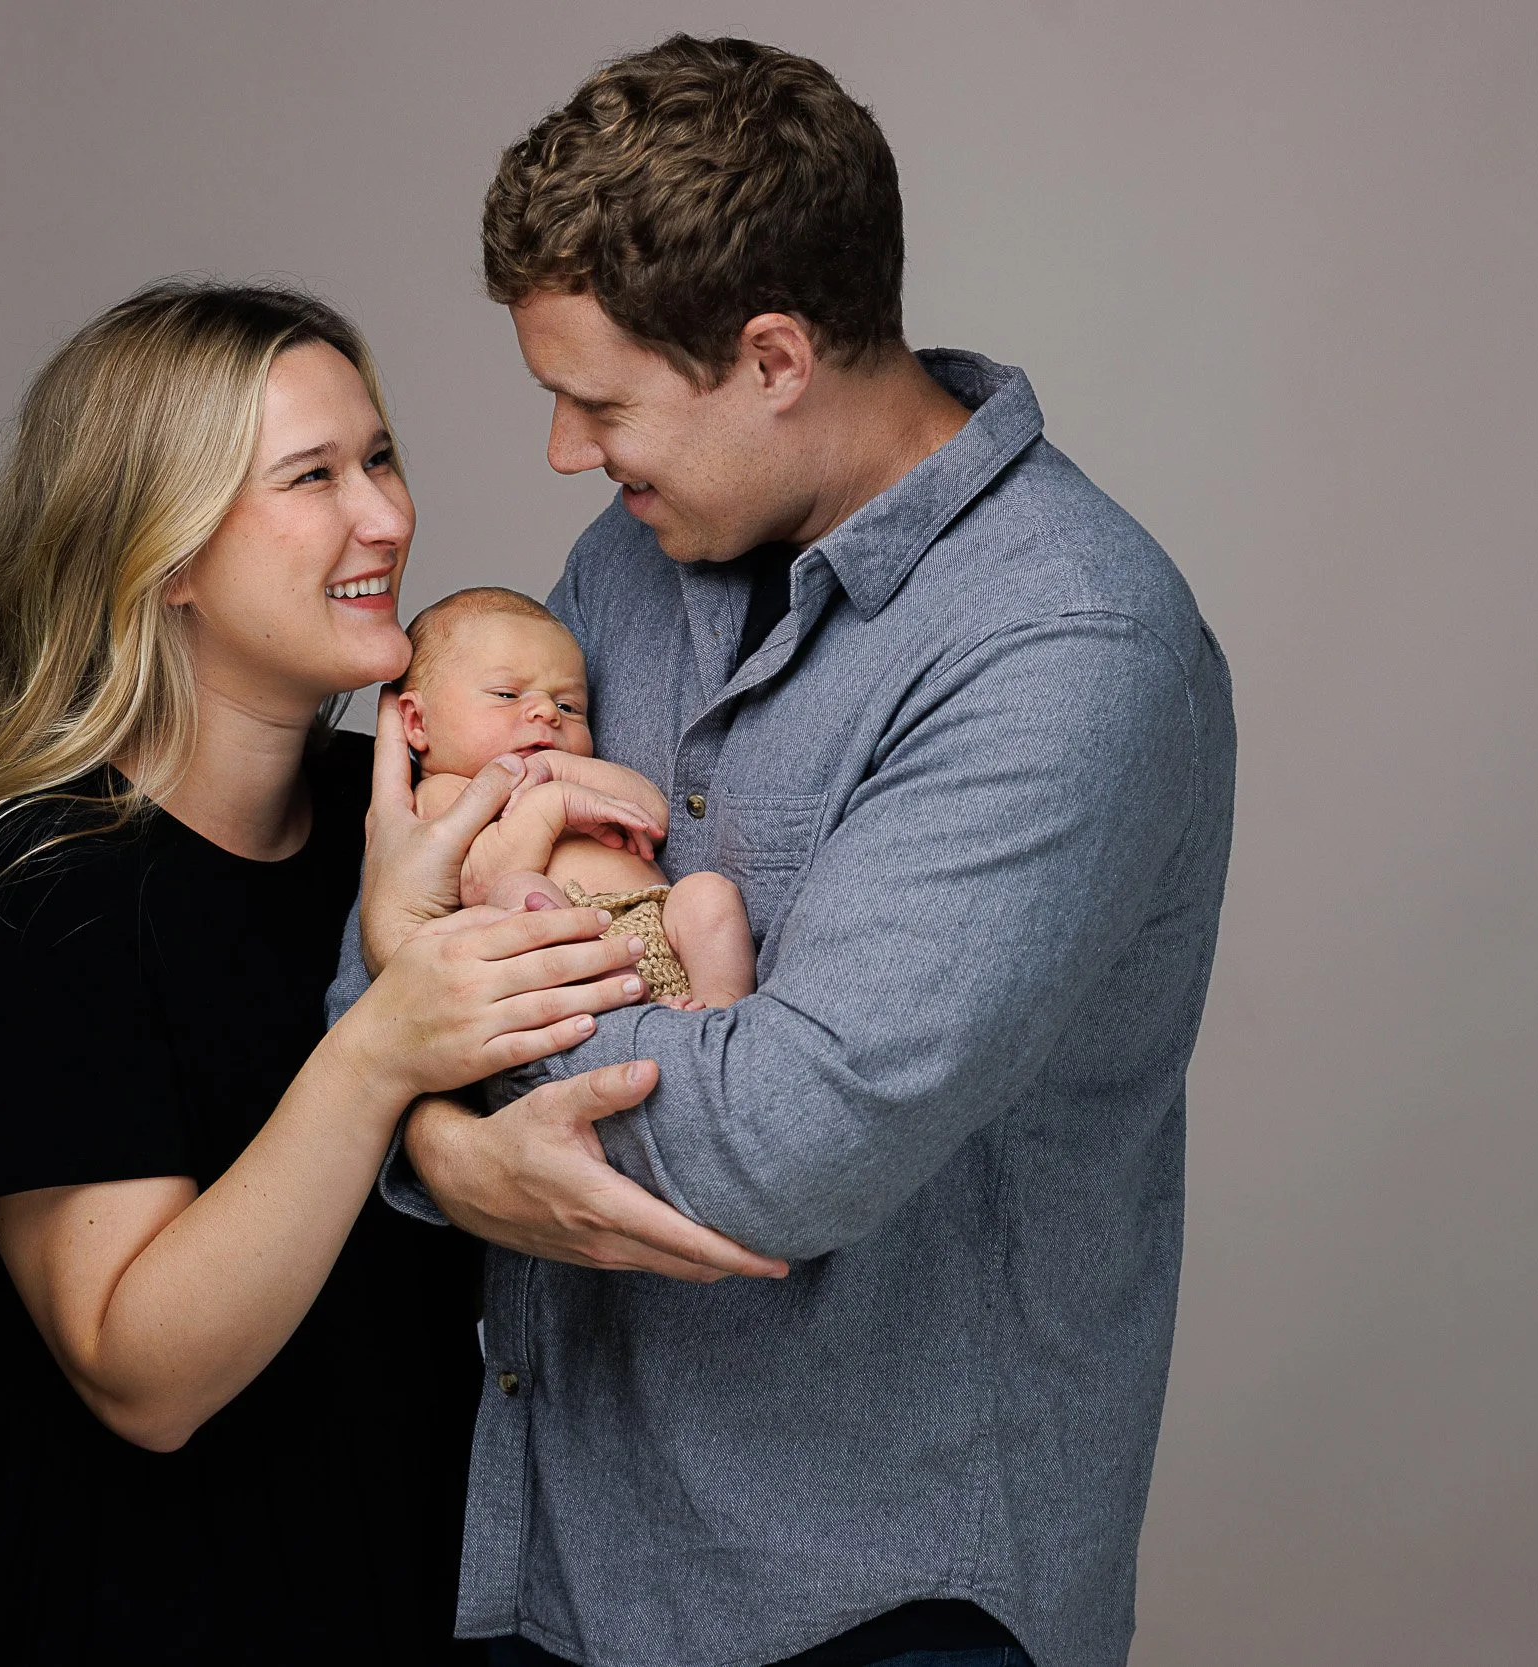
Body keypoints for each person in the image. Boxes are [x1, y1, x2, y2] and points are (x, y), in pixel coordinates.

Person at [336, 36, 1238, 1667]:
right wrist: (441, 1149)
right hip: (557, 1558)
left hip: (875, 1606)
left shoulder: (1070, 647)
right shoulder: (636, 551)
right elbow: (389, 902)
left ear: (770, 358)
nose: (560, 453)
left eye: (594, 399)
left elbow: (786, 1145)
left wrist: (425, 1071)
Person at [0, 281, 654, 1663]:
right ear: (168, 551)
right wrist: (386, 1040)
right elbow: (142, 1370)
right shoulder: (37, 885)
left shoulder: (396, 823)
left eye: (378, 458)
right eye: (312, 477)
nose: (386, 516)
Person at [398, 586, 757, 1008]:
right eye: (507, 695)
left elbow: (655, 816)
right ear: (419, 721)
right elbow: (482, 882)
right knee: (519, 892)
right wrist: (554, 804)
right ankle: (616, 998)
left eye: (568, 707)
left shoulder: (570, 769)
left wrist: (560, 771)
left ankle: (718, 1008)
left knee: (707, 892)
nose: (547, 712)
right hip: (568, 948)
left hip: (660, 923)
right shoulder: (443, 792)